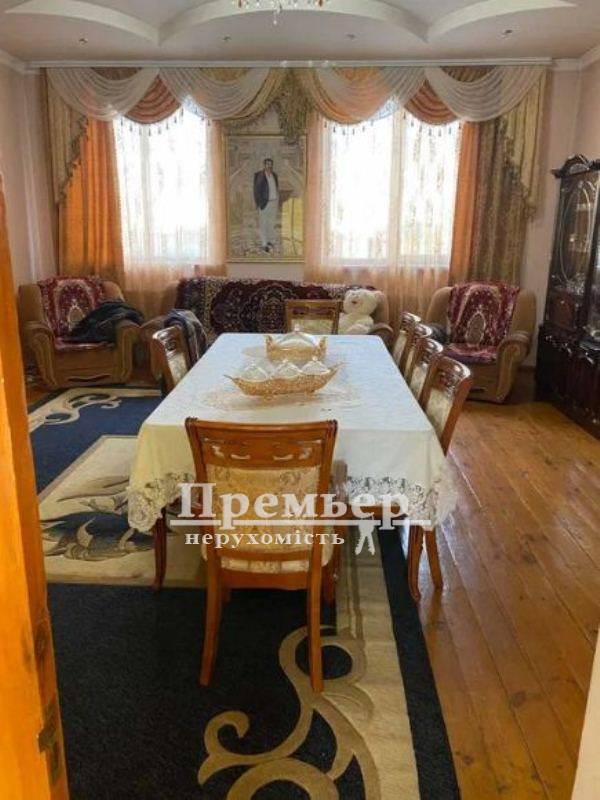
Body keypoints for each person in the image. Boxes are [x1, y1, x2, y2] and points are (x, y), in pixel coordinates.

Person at [253, 158, 279, 253]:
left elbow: (275, 188)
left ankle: (269, 241)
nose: (269, 166)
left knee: (271, 223)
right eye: (267, 164)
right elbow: (256, 191)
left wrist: (276, 201)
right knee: (263, 223)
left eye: (271, 164)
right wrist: (258, 203)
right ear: (264, 165)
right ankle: (264, 244)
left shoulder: (274, 175)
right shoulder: (259, 175)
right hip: (264, 203)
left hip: (273, 202)